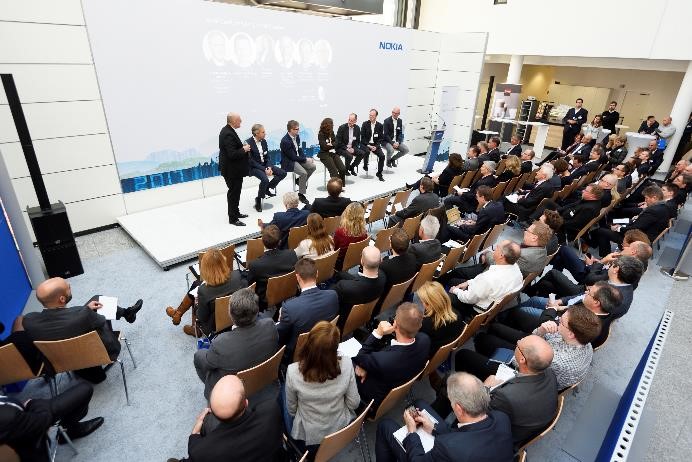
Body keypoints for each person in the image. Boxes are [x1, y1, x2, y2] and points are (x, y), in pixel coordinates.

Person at [434, 334, 558, 445]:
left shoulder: (506, 396)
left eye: (519, 344)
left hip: (493, 436)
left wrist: (486, 387)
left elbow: (478, 412)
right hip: (523, 419)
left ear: (522, 360)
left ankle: (440, 427)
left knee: (450, 385)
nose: (518, 341)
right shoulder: (549, 373)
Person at [22, 277, 142, 384]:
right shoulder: (84, 315)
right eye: (68, 287)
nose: (70, 286)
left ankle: (127, 313)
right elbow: (101, 321)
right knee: (100, 304)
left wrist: (85, 310)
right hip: (101, 353)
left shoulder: (29, 321)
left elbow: (66, 322)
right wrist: (87, 312)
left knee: (95, 303)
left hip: (62, 361)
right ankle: (127, 313)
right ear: (62, 299)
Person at [375, 372, 514, 462]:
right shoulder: (501, 418)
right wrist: (433, 429)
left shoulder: (448, 447)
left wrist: (412, 433)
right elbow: (468, 435)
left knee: (385, 426)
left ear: (458, 408)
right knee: (420, 404)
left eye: (451, 401)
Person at [168, 375, 282, 462]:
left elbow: (194, 445)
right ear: (246, 403)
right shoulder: (271, 410)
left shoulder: (201, 451)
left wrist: (195, 431)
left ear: (211, 412)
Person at [285, 321, 360, 449]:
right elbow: (354, 403)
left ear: (308, 343)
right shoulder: (347, 364)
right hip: (340, 426)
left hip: (309, 434)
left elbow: (292, 410)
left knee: (282, 393)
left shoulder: (292, 371)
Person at [193, 288, 278, 398]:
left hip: (231, 389)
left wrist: (201, 353)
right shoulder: (270, 325)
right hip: (262, 379)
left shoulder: (221, 343)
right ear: (257, 311)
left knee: (198, 356)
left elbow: (207, 362)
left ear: (230, 314)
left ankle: (214, 395)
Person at [352, 303, 431, 410]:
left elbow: (359, 357)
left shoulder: (383, 360)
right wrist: (366, 365)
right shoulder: (425, 340)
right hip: (397, 379)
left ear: (395, 324)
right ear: (420, 325)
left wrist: (378, 333)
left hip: (371, 395)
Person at [0, 382, 103, 461]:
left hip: (22, 421)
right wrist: (33, 403)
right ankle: (71, 430)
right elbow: (43, 421)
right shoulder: (7, 416)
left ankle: (69, 430)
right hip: (33, 439)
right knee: (86, 389)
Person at [165, 249, 244, 336]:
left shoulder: (204, 291)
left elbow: (202, 317)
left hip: (214, 325)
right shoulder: (238, 275)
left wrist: (197, 303)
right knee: (196, 284)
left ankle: (195, 329)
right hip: (237, 315)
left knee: (195, 296)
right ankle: (177, 313)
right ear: (224, 262)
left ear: (205, 269)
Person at [277, 258, 339, 356]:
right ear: (317, 274)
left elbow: (281, 338)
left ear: (297, 277)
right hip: (326, 345)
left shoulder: (289, 308)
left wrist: (280, 320)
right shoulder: (333, 295)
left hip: (300, 353)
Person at [447, 240, 523, 318]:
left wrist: (455, 290)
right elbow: (481, 283)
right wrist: (468, 282)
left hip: (476, 309)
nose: (494, 249)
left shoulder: (489, 278)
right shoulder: (516, 269)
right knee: (453, 281)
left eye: (497, 247)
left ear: (501, 255)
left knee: (443, 297)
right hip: (492, 304)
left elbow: (469, 299)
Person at [594, 185, 670, 257]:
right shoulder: (664, 207)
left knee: (601, 231)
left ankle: (605, 256)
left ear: (654, 198)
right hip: (643, 233)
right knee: (609, 225)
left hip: (637, 239)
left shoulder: (653, 211)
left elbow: (635, 228)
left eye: (646, 198)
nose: (645, 200)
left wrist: (618, 229)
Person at [332, 246, 386, 327]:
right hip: (365, 314)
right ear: (381, 260)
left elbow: (331, 298)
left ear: (362, 261)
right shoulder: (383, 277)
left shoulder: (344, 287)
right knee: (341, 274)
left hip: (344, 321)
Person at [248, 225, 299, 310]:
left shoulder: (255, 265)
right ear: (279, 242)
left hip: (266, 300)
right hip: (290, 291)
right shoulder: (292, 254)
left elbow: (250, 285)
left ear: (262, 242)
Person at [219, 112, 251, 226]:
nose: (241, 121)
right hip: (231, 171)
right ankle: (233, 219)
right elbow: (232, 154)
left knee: (236, 192)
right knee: (233, 193)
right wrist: (244, 149)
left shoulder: (228, 131)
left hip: (235, 170)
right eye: (239, 119)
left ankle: (236, 213)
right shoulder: (227, 133)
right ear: (233, 121)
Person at [417, 281, 464, 357]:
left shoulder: (427, 324)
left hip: (429, 352)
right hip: (443, 350)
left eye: (422, 301)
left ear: (429, 304)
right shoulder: (457, 314)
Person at [247, 123, 287, 212]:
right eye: (263, 132)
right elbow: (251, 161)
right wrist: (265, 169)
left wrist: (269, 167)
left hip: (265, 165)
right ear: (256, 133)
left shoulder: (264, 141)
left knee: (283, 173)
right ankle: (258, 199)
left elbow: (267, 157)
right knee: (265, 180)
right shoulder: (248, 143)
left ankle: (266, 188)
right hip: (254, 167)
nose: (265, 134)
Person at [280, 119, 316, 205]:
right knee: (303, 173)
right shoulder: (285, 141)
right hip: (289, 162)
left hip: (297, 158)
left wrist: (304, 158)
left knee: (312, 167)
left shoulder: (297, 136)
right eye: (296, 129)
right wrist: (306, 159)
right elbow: (292, 157)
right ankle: (301, 194)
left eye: (298, 128)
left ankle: (299, 181)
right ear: (290, 130)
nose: (298, 130)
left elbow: (299, 149)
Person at [379, 229, 419, 303]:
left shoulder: (385, 266)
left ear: (390, 245)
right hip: (406, 291)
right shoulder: (413, 257)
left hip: (387, 297)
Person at [333, 202, 368, 270]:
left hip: (341, 262)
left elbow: (335, 249)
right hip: (357, 256)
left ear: (347, 214)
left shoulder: (340, 232)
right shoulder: (364, 232)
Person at [317, 117, 347, 185]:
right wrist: (332, 145)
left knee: (342, 169)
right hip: (324, 154)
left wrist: (331, 144)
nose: (332, 126)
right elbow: (324, 147)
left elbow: (336, 143)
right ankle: (335, 187)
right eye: (331, 124)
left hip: (332, 153)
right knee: (334, 172)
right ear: (326, 125)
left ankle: (341, 185)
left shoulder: (331, 132)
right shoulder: (321, 134)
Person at [358, 108, 386, 181]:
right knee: (367, 151)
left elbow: (380, 139)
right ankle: (365, 165)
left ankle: (379, 173)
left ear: (376, 116)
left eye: (372, 115)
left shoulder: (380, 125)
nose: (370, 117)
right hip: (366, 144)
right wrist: (369, 145)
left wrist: (376, 146)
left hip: (375, 145)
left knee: (382, 156)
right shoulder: (365, 124)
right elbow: (362, 138)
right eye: (370, 115)